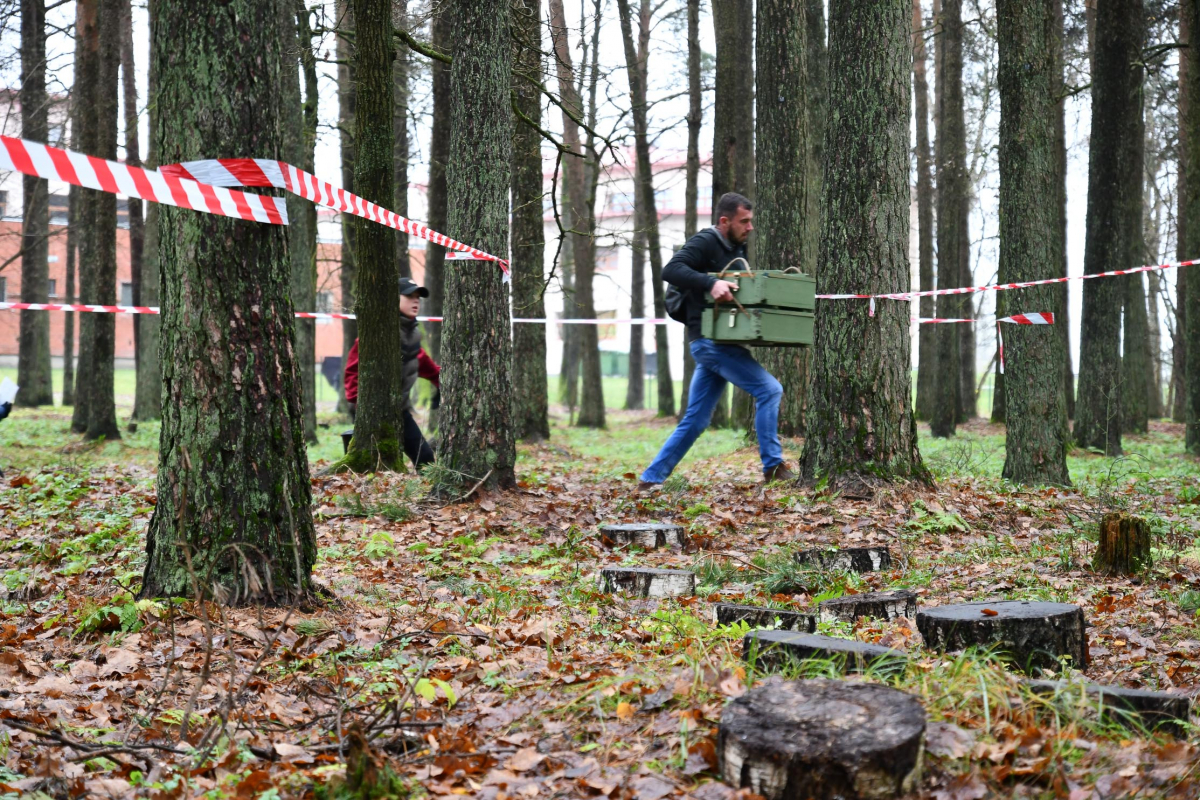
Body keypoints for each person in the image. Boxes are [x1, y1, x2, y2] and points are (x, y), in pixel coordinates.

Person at [639, 192, 794, 488]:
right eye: (743, 221)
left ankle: (651, 478)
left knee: (696, 420)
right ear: (724, 221)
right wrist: (711, 282)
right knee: (770, 390)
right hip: (709, 342)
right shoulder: (706, 240)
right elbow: (670, 270)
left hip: (722, 342)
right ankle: (773, 466)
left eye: (751, 221)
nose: (750, 227)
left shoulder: (737, 247)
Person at [344, 277, 441, 471]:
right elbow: (352, 370)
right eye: (409, 296)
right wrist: (359, 405)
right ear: (392, 299)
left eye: (418, 298)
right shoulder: (378, 331)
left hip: (399, 410)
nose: (415, 301)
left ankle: (433, 497)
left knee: (426, 458)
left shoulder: (412, 334)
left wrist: (444, 382)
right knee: (371, 463)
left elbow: (424, 364)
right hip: (369, 410)